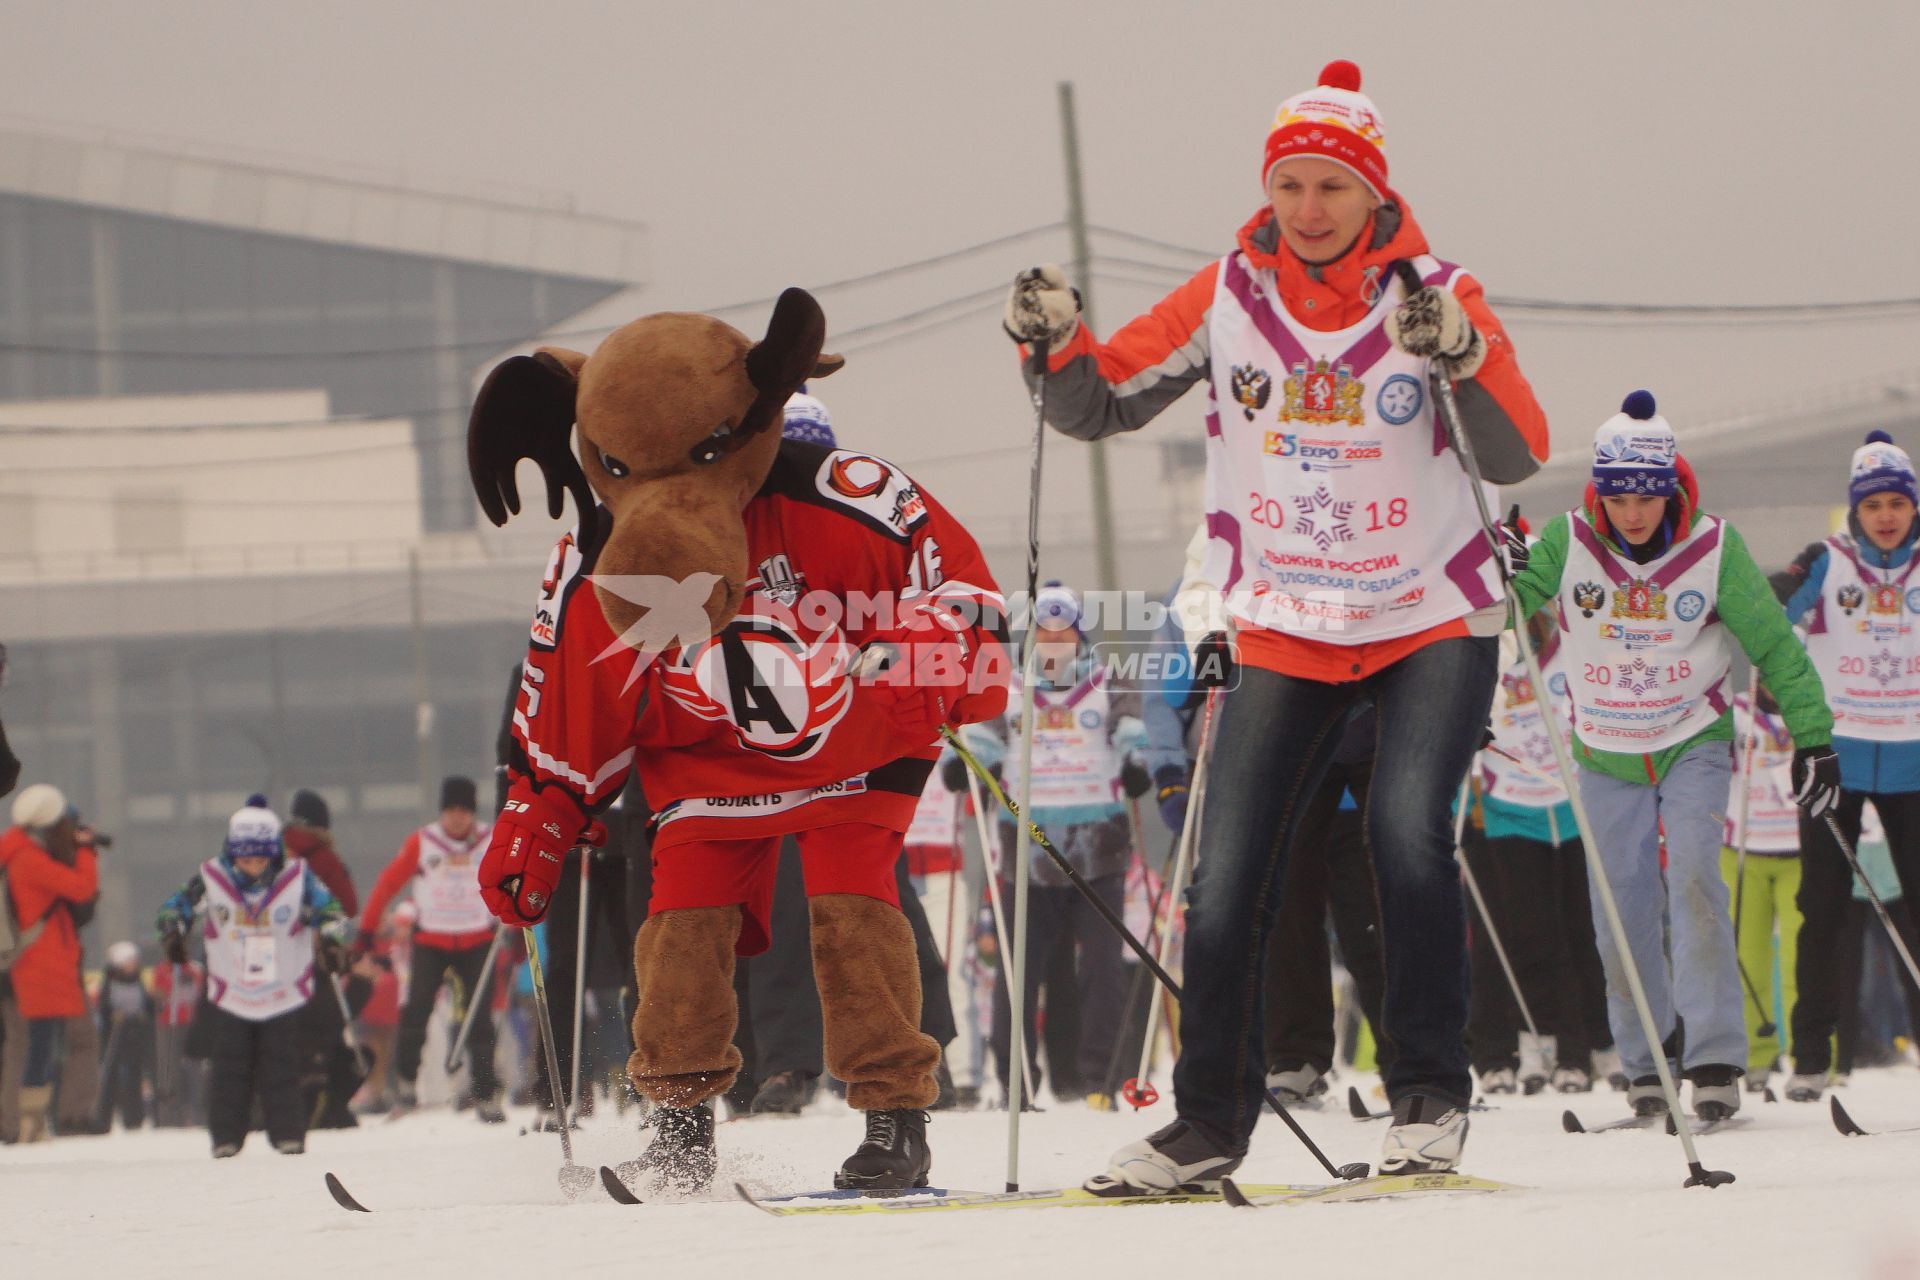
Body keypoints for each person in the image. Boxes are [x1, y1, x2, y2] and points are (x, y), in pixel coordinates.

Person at [1004, 59, 1547, 1186]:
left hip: (1430, 614)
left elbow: (1515, 453)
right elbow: (1098, 399)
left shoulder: (1434, 292)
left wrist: (1465, 351)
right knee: (1226, 868)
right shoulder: (1226, 297)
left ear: (1373, 195)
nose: (1309, 209)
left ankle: (1431, 1092)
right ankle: (1207, 1118)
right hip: (1288, 617)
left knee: (1406, 830)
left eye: (1332, 189)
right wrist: (1050, 341)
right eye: (1290, 184)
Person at [474, 298, 1011, 1196]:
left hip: (851, 741)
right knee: (677, 932)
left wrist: (930, 654)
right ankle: (681, 1134)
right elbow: (569, 691)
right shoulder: (598, 548)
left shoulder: (850, 495)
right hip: (703, 758)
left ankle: (895, 1118)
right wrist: (545, 808)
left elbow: (959, 588)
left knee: (853, 913)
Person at [1509, 392, 1836, 1122]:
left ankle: (1716, 1058)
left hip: (1693, 736)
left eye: (1647, 498)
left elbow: (1773, 643)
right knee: (1620, 909)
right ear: (1600, 494)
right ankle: (1647, 1061)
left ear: (1671, 491)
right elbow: (1504, 610)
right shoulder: (1567, 541)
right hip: (1605, 747)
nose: (1633, 513)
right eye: (1619, 497)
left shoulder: (1715, 547)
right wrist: (1497, 567)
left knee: (1694, 883)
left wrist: (1813, 734)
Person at [947, 582, 1149, 1108]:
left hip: (1097, 846)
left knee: (1103, 968)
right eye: (1044, 631)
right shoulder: (1007, 688)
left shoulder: (1108, 681)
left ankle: (1101, 1077)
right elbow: (986, 743)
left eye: (1064, 631)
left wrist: (1136, 762)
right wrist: (967, 765)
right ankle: (1016, 1081)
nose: (1054, 641)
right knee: (1020, 971)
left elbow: (1131, 730)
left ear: (1080, 635)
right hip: (1027, 851)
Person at [1778, 431, 1920, 1101]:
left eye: (1897, 503)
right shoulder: (1827, 563)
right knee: (1822, 906)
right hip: (1835, 755)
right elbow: (1770, 615)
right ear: (1855, 511)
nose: (1886, 516)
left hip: (1913, 759)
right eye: (1874, 506)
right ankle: (1811, 1056)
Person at [1464, 614, 1612, 1094]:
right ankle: (1533, 1042)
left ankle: (1580, 1049)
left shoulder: (1567, 647)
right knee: (1528, 932)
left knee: (1579, 932)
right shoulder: (1485, 652)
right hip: (1510, 808)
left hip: (1571, 808)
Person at [156, 797, 352, 1157]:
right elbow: (175, 907)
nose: (253, 866)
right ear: (232, 853)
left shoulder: (297, 876)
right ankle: (226, 1138)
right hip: (232, 991)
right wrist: (173, 933)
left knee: (281, 1065)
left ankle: (288, 1135)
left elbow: (332, 910)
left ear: (274, 852)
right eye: (245, 859)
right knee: (230, 1066)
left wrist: (331, 941)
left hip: (282, 990)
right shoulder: (212, 876)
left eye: (261, 858)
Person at [356, 777, 503, 1122]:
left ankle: (486, 1093)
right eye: (451, 811)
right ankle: (406, 1083)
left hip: (477, 938)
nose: (457, 818)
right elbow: (389, 882)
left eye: (464, 811)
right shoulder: (424, 842)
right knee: (416, 1012)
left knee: (479, 1020)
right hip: (431, 941)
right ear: (443, 812)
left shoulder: (489, 840)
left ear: (472, 812)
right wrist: (366, 930)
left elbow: (512, 876)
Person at [0, 784, 100, 1142]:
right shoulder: (29, 859)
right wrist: (86, 852)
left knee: (26, 1043)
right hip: (40, 963)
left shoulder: (15, 851)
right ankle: (30, 1122)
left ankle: (22, 1122)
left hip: (22, 962)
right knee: (39, 1042)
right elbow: (80, 889)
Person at [1720, 685, 1803, 1094]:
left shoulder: (1808, 706)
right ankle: (1754, 1056)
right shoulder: (1737, 712)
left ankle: (1811, 1055)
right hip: (1744, 849)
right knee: (1746, 956)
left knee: (1800, 955)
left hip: (1801, 850)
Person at [95, 939, 155, 1131]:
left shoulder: (138, 981)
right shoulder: (109, 983)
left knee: (134, 1076)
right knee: (110, 1076)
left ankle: (134, 1118)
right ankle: (103, 1118)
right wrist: (112, 1014)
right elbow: (103, 1007)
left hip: (135, 1033)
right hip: (114, 1035)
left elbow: (147, 1005)